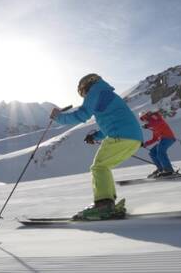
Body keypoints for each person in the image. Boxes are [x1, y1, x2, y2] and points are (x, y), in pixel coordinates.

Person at [50, 73, 143, 220]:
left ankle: (104, 205)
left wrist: (58, 117)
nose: (84, 95)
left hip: (121, 136)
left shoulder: (95, 90)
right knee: (103, 167)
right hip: (132, 137)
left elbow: (82, 114)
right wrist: (96, 136)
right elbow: (112, 121)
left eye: (82, 92)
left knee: (99, 167)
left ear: (86, 85)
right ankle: (108, 203)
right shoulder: (105, 92)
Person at [139, 110, 176, 178]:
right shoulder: (153, 126)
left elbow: (159, 122)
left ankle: (169, 170)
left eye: (143, 118)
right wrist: (145, 144)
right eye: (142, 120)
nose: (144, 121)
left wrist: (148, 125)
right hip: (163, 140)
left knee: (160, 152)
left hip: (168, 138)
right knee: (152, 152)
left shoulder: (155, 117)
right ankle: (161, 169)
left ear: (146, 116)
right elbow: (154, 139)